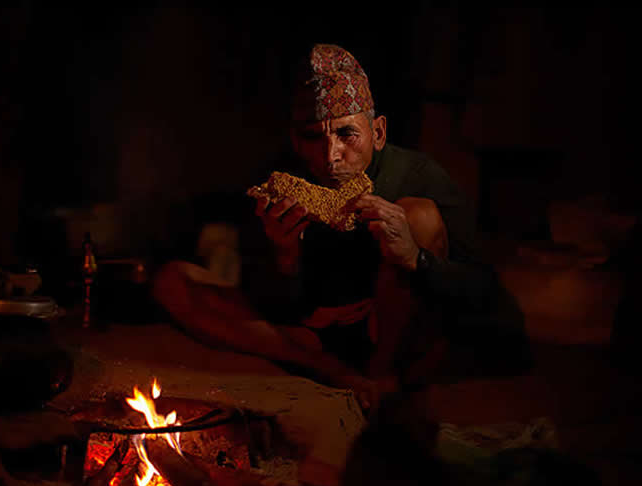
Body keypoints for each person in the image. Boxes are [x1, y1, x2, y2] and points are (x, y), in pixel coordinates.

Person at [153, 44, 527, 410]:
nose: (329, 156)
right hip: (317, 335)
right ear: (296, 139)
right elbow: (269, 306)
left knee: (419, 217)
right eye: (313, 137)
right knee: (174, 279)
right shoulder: (281, 183)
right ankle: (340, 375)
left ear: (378, 133)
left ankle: (380, 378)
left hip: (397, 334)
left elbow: (483, 289)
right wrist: (285, 258)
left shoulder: (418, 176)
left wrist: (416, 258)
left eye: (347, 134)